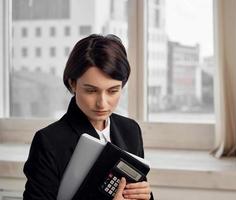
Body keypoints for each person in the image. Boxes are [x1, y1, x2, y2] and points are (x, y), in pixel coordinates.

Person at [23, 34, 153, 200]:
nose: (102, 103)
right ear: (73, 84)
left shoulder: (130, 130)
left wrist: (144, 196)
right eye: (91, 91)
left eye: (113, 91)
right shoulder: (49, 141)